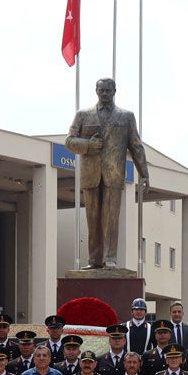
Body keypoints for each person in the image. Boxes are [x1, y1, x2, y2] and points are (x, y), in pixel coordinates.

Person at [64, 77, 149, 269]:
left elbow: (136, 146)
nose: (104, 94)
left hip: (113, 174)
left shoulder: (126, 116)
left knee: (111, 219)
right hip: (91, 175)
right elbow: (69, 141)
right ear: (96, 91)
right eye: (101, 90)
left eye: (108, 90)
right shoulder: (83, 115)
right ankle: (94, 260)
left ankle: (110, 258)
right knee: (92, 219)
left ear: (114, 91)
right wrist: (88, 145)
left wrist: (143, 173)